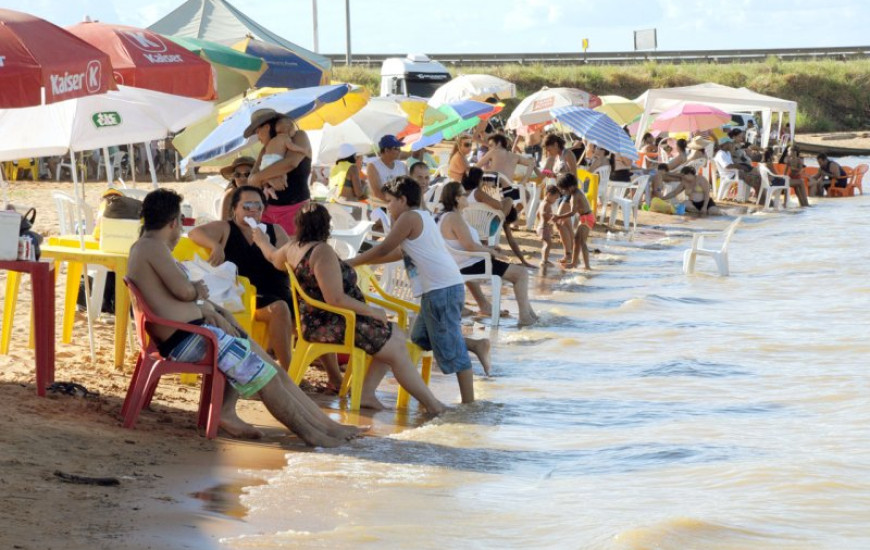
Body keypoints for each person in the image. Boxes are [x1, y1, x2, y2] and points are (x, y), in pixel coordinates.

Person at [127, 188, 364, 446]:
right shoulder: (152, 247)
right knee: (267, 377)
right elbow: (182, 291)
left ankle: (326, 425)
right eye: (180, 225)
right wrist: (198, 290)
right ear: (173, 222)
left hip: (196, 333)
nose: (179, 231)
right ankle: (311, 434)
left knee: (274, 370)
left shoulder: (147, 247)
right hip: (191, 340)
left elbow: (170, 296)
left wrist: (209, 309)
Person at [271, 203, 448, 413]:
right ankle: (433, 405)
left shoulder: (291, 248)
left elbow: (272, 257)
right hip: (334, 322)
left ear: (298, 225)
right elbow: (335, 298)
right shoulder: (322, 252)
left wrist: (262, 240)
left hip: (325, 319)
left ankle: (367, 393)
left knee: (396, 335)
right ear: (326, 226)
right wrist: (372, 311)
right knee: (397, 350)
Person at [347, 177, 481, 402]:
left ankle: (470, 405)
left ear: (403, 199)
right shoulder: (422, 216)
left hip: (442, 289)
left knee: (453, 350)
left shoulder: (409, 217)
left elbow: (384, 248)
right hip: (443, 288)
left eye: (389, 201)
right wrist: (359, 262)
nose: (387, 206)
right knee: (412, 340)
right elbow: (399, 253)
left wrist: (351, 263)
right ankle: (367, 393)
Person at [189, 185, 295, 375]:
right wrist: (215, 245)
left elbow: (288, 262)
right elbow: (194, 233)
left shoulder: (275, 230)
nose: (253, 210)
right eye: (247, 206)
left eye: (258, 206)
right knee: (279, 308)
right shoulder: (226, 228)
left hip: (279, 290)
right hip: (248, 297)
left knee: (315, 307)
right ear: (234, 209)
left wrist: (265, 243)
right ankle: (289, 373)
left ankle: (334, 377)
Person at [437, 181, 538, 327]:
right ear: (457, 199)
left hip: (464, 262)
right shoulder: (454, 217)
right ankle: (524, 317)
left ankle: (529, 314)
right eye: (464, 194)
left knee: (519, 272)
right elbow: (469, 246)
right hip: (470, 264)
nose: (467, 197)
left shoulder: (445, 215)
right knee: (521, 273)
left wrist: (488, 247)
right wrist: (491, 252)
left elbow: (461, 243)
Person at [246, 109, 313, 237]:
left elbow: (291, 162)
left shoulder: (299, 136)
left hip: (294, 210)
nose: (258, 137)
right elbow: (250, 181)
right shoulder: (265, 149)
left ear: (266, 127)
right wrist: (267, 178)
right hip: (267, 211)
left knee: (292, 253)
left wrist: (261, 177)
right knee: (267, 253)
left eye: (257, 132)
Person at [461, 167, 532, 268]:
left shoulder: (461, 193)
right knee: (508, 200)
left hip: (469, 229)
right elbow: (499, 206)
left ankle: (484, 262)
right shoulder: (477, 192)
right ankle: (503, 217)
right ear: (478, 180)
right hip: (487, 228)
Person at [552, 173, 594, 270]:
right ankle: (574, 263)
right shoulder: (574, 193)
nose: (563, 191)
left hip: (587, 218)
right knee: (576, 240)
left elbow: (572, 212)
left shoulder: (575, 195)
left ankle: (587, 266)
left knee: (582, 242)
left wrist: (559, 216)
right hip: (584, 218)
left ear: (571, 187)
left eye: (564, 189)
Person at [366, 135, 407, 201]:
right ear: (386, 150)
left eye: (399, 148)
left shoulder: (402, 165)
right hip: (382, 206)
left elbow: (408, 188)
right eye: (396, 148)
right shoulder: (373, 167)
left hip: (401, 204)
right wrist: (395, 204)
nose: (400, 151)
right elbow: (377, 192)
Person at [536, 185, 561, 266]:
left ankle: (544, 259)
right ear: (548, 194)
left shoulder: (543, 203)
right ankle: (544, 260)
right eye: (555, 198)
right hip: (543, 227)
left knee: (546, 244)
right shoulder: (546, 204)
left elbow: (537, 214)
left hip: (542, 226)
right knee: (548, 244)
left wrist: (541, 221)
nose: (555, 200)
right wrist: (551, 216)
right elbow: (543, 213)